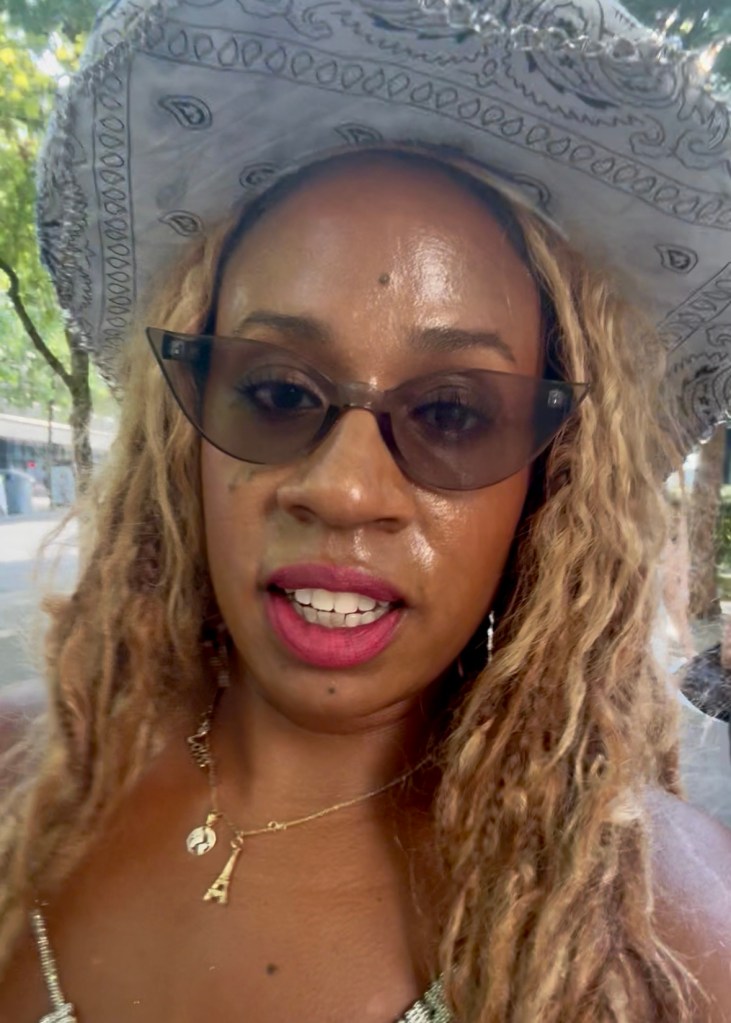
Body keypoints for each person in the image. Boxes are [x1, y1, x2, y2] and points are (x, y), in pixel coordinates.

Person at [1, 1, 730, 1020]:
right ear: (187, 437)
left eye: (449, 411)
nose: (342, 489)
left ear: (549, 480)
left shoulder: (674, 944)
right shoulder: (18, 785)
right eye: (278, 393)